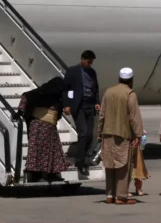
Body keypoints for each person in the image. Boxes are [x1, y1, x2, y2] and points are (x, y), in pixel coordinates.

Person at [97, 68, 144, 205]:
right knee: (123, 167)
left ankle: (110, 195)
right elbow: (134, 117)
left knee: (110, 166)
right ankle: (121, 197)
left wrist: (99, 132)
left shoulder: (108, 92)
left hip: (107, 134)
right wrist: (138, 134)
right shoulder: (130, 94)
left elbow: (102, 115)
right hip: (123, 135)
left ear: (119, 78)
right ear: (131, 80)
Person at [19, 77, 69, 183]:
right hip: (38, 127)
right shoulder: (41, 93)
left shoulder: (57, 96)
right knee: (38, 151)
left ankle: (51, 174)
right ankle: (36, 175)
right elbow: (26, 96)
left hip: (50, 128)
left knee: (52, 151)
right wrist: (20, 111)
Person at [62, 50, 100, 178]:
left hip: (90, 106)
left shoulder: (92, 72)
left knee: (90, 135)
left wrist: (97, 102)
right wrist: (66, 104)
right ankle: (81, 162)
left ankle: (85, 157)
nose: (90, 64)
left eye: (92, 62)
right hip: (79, 106)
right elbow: (65, 89)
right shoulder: (73, 71)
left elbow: (96, 89)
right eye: (88, 61)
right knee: (82, 133)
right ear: (82, 59)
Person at [131, 131, 149, 197]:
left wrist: (141, 131)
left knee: (138, 166)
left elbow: (138, 124)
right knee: (126, 168)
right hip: (127, 140)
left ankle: (139, 188)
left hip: (136, 141)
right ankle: (124, 190)